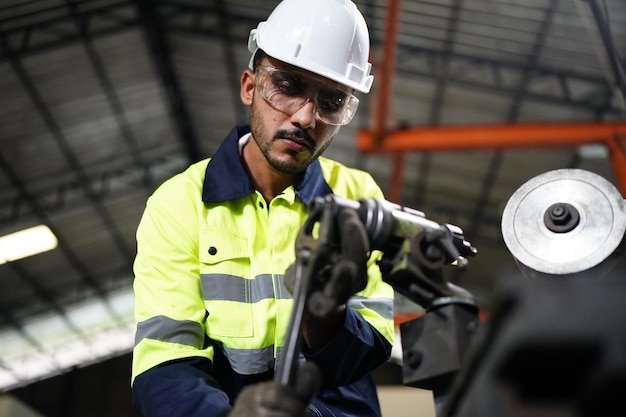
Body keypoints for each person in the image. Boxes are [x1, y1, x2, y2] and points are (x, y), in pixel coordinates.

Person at [131, 0, 395, 416]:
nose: (306, 117)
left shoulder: (359, 197)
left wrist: (326, 321)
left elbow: (372, 346)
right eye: (288, 86)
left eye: (332, 101)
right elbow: (165, 360)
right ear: (249, 86)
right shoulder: (178, 204)